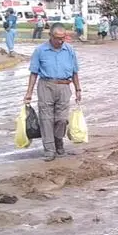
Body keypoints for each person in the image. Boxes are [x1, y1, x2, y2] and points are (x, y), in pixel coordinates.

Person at [24, 24, 82, 161]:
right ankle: (49, 150)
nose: (60, 41)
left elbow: (75, 72)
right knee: (46, 119)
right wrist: (29, 93)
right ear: (50, 36)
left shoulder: (69, 50)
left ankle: (58, 142)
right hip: (46, 85)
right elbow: (33, 73)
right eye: (57, 38)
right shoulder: (40, 51)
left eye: (63, 38)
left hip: (64, 86)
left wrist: (78, 89)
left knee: (62, 119)